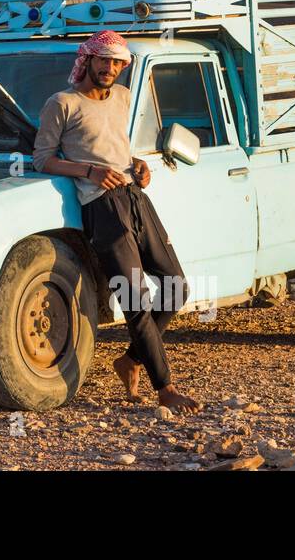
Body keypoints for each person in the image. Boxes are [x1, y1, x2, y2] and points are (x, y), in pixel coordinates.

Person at [32, 29, 202, 412]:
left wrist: (138, 165)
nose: (109, 68)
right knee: (135, 299)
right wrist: (88, 171)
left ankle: (130, 360)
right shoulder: (62, 103)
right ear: (87, 60)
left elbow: (118, 148)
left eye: (117, 62)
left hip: (135, 198)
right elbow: (42, 158)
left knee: (176, 287)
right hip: (101, 207)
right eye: (103, 60)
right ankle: (166, 387)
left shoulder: (124, 98)